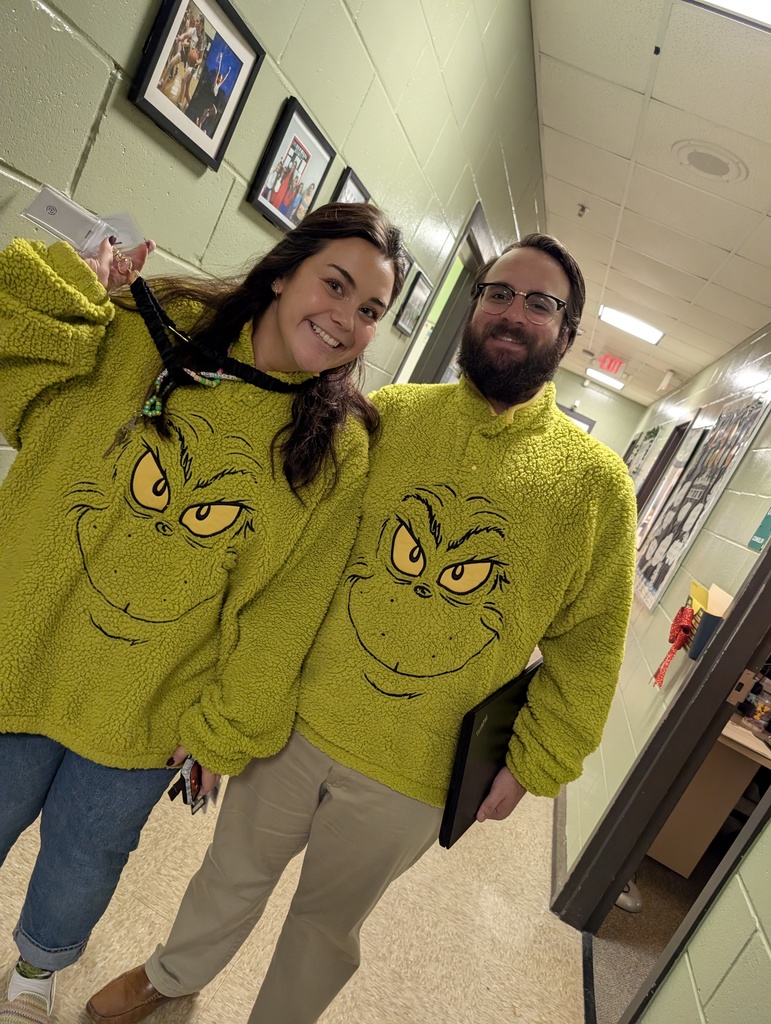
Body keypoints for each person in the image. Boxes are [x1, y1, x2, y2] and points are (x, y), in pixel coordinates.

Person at [87, 233, 637, 1024]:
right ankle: (171, 976)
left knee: (326, 925)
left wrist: (533, 764)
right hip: (296, 719)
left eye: (538, 302)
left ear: (567, 332)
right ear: (473, 307)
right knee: (230, 870)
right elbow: (295, 556)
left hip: (417, 768)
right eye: (497, 293)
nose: (512, 312)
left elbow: (589, 648)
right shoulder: (392, 416)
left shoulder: (596, 489)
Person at [0, 202, 406, 1023]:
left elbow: (286, 608)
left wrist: (226, 726)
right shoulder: (154, 330)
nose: (347, 319)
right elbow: (17, 382)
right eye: (335, 285)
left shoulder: (337, 447)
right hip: (29, 644)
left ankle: (37, 969)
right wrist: (79, 290)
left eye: (370, 310)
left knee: (87, 857)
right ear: (283, 272)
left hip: (149, 698)